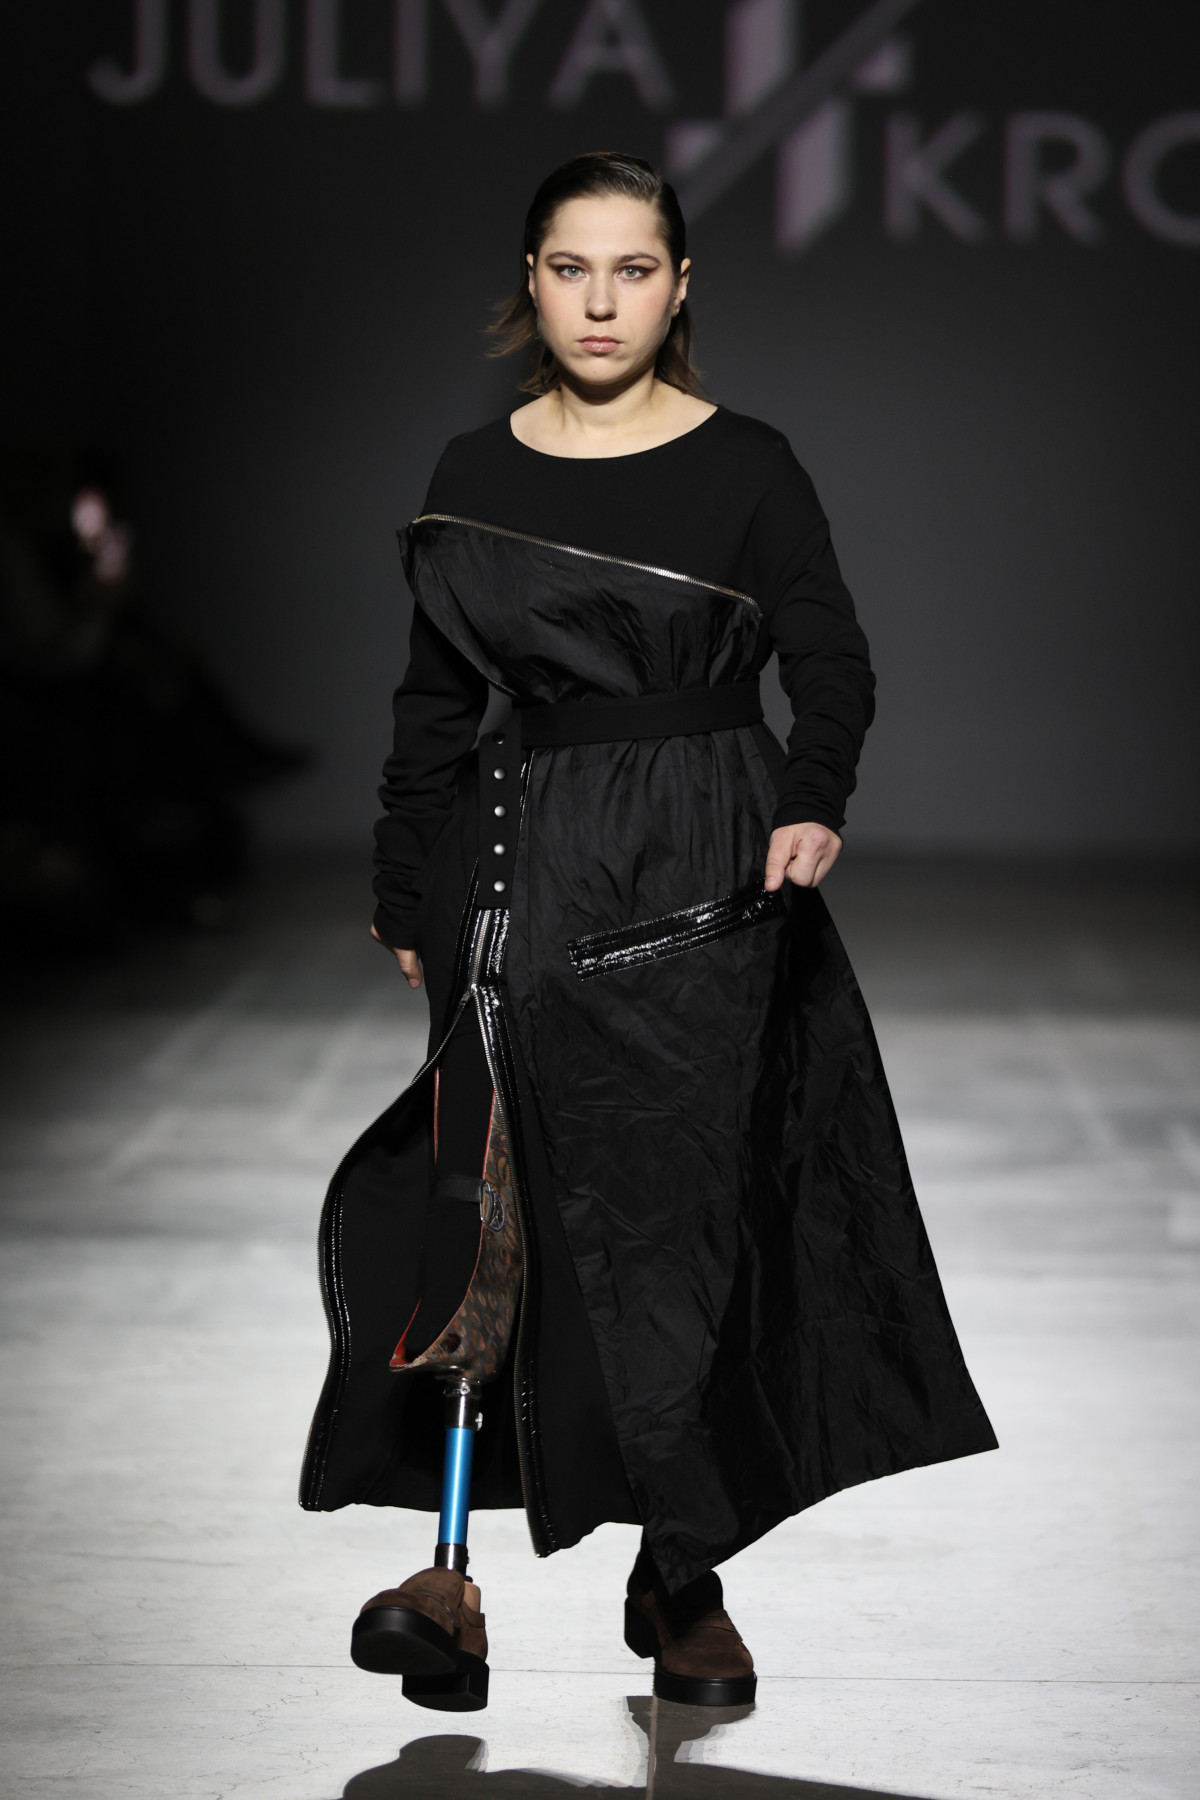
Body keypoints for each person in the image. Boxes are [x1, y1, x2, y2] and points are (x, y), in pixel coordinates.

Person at [300, 151, 996, 1708]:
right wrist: (406, 887)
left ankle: (681, 1577)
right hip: (520, 861)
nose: (601, 301)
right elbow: (432, 706)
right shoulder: (474, 470)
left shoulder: (747, 464)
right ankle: (450, 1582)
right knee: (486, 1201)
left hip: (704, 863)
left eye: (633, 269)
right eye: (572, 268)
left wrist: (813, 797)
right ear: (530, 283)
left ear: (681, 287)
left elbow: (831, 656)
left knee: (684, 1221)